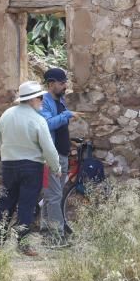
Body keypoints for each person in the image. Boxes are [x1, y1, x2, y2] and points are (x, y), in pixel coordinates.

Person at [0, 80, 60, 257]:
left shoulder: (6, 114)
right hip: (31, 166)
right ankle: (23, 244)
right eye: (40, 98)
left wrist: (7, 152)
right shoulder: (38, 119)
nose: (42, 101)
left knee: (6, 203)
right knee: (27, 205)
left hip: (9, 164)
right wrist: (56, 166)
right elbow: (48, 147)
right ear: (32, 100)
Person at [40, 67, 79, 243]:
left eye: (65, 82)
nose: (65, 86)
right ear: (51, 84)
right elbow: (47, 124)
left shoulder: (61, 101)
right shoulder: (44, 102)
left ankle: (46, 230)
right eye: (62, 82)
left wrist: (70, 142)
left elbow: (61, 128)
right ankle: (57, 235)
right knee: (54, 196)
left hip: (62, 155)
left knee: (51, 195)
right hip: (50, 158)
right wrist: (67, 115)